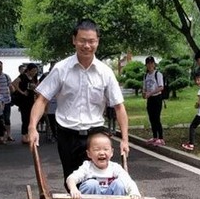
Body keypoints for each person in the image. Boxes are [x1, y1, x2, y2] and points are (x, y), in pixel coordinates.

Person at [28, 19, 130, 184]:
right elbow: (41, 100)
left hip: (95, 135)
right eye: (82, 40)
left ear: (97, 42)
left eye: (91, 41)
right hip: (67, 134)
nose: (87, 45)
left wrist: (125, 140)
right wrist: (32, 128)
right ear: (74, 40)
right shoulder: (61, 68)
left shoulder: (105, 72)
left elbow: (119, 107)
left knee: (99, 182)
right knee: (72, 181)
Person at [66, 132, 140, 199]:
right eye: (96, 149)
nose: (101, 152)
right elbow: (71, 178)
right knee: (91, 184)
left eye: (106, 149)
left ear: (112, 152)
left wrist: (134, 192)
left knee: (120, 184)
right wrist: (73, 189)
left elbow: (128, 181)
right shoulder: (87, 167)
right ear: (89, 153)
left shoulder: (115, 168)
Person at [12, 62, 38, 144]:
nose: (34, 72)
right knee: (25, 118)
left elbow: (36, 87)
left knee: (31, 118)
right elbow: (14, 83)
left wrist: (35, 89)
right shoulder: (23, 76)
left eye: (36, 71)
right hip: (24, 100)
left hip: (31, 99)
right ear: (28, 70)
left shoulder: (34, 78)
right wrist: (22, 92)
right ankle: (24, 136)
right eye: (33, 70)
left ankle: (29, 135)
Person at [142, 56, 165, 145]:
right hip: (150, 99)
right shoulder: (145, 76)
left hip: (157, 98)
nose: (150, 65)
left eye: (151, 63)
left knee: (156, 118)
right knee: (151, 118)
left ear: (154, 64)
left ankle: (161, 138)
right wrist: (144, 94)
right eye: (148, 63)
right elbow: (144, 87)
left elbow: (161, 87)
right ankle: (155, 136)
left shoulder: (158, 74)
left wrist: (151, 93)